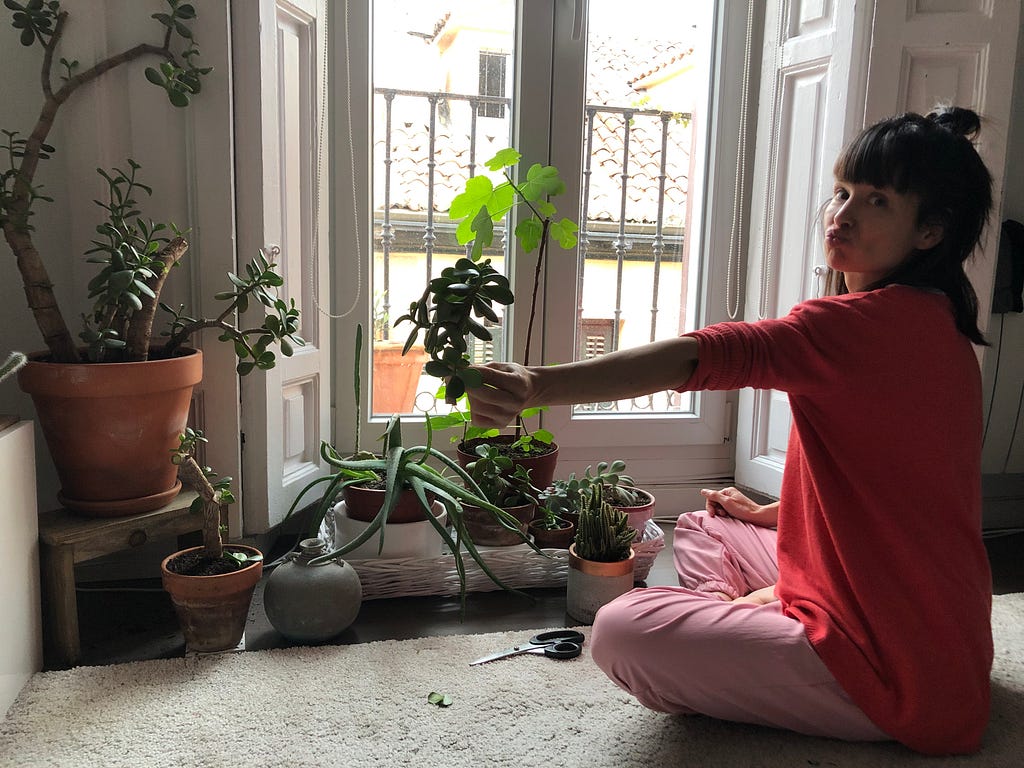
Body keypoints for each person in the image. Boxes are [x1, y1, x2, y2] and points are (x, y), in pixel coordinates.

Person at [466, 107, 995, 755]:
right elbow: (900, 489)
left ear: (929, 233)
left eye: (877, 200)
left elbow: (705, 354)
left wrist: (538, 385)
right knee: (708, 523)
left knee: (619, 629)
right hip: (942, 638)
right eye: (843, 191)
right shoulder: (937, 326)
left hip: (897, 678)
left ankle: (737, 623)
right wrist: (774, 514)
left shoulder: (857, 326)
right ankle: (747, 615)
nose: (844, 212)